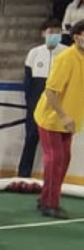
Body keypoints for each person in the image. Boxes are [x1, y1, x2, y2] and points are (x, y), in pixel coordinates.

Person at [33, 20, 84, 218]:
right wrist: (63, 115)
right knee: (55, 159)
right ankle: (50, 203)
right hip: (53, 118)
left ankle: (48, 196)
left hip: (69, 120)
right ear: (75, 36)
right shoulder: (66, 58)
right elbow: (51, 90)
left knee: (64, 159)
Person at [18, 20, 66, 179]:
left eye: (58, 32)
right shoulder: (34, 53)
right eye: (51, 31)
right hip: (36, 101)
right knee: (31, 138)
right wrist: (30, 103)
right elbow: (28, 81)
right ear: (43, 33)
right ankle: (23, 175)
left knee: (55, 145)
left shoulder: (67, 53)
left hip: (58, 103)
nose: (55, 35)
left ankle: (53, 178)